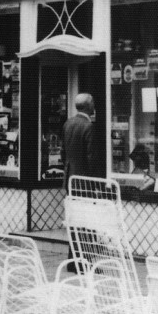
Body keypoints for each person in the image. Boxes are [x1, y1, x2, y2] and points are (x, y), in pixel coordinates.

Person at [61, 93, 97, 272]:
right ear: (88, 106)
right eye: (93, 104)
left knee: (75, 219)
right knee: (86, 220)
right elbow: (91, 158)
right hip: (83, 181)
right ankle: (84, 262)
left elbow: (63, 154)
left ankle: (73, 260)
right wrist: (95, 182)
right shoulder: (88, 126)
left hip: (70, 179)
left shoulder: (68, 123)